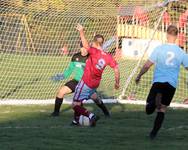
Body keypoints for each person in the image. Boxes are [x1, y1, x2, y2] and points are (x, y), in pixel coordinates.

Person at [135, 25, 188, 139]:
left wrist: (139, 75)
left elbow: (147, 65)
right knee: (162, 109)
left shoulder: (159, 49)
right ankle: (153, 134)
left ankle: (154, 101)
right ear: (176, 36)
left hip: (158, 82)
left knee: (149, 110)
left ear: (167, 34)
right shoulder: (181, 52)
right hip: (171, 85)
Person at [71, 23, 120, 127]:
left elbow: (85, 45)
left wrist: (81, 32)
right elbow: (116, 69)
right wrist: (117, 83)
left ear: (96, 43)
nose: (91, 45)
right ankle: (76, 121)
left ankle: (91, 116)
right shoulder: (108, 56)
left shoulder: (94, 52)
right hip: (95, 84)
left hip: (86, 82)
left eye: (92, 43)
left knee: (75, 104)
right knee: (91, 98)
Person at [51, 42, 111, 117]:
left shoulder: (91, 57)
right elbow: (69, 70)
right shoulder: (75, 56)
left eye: (86, 48)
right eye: (83, 48)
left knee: (96, 99)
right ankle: (56, 113)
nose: (84, 50)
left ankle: (106, 113)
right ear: (80, 48)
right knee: (61, 92)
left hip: (86, 83)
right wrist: (60, 77)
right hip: (76, 81)